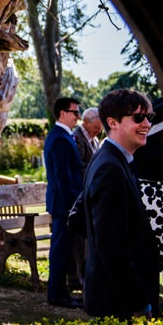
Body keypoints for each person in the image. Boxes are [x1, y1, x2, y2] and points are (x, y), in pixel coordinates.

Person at [81, 88, 163, 320]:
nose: (147, 123)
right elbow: (112, 244)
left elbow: (79, 216)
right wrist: (139, 304)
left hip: (116, 294)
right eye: (138, 117)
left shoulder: (116, 159)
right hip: (120, 303)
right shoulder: (109, 167)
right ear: (112, 123)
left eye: (149, 117)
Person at [42, 96, 83, 307]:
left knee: (63, 249)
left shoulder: (63, 135)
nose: (78, 116)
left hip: (63, 203)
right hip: (64, 204)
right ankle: (57, 294)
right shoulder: (59, 137)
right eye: (75, 112)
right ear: (62, 114)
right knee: (60, 249)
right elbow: (62, 176)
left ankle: (60, 292)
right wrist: (73, 206)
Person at [70, 106, 102, 289]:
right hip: (80, 194)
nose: (98, 130)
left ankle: (86, 275)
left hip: (90, 194)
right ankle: (76, 277)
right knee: (79, 243)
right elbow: (79, 166)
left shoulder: (94, 140)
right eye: (96, 126)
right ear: (86, 122)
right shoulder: (77, 138)